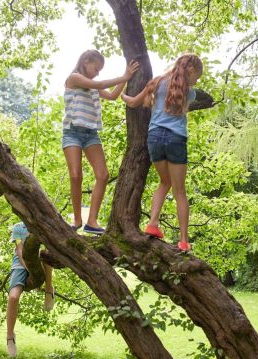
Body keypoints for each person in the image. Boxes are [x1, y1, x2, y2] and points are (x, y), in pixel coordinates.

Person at [121, 53, 204, 252]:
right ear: (191, 69)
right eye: (197, 77)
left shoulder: (157, 82)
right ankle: (184, 241)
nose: (196, 81)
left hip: (155, 138)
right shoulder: (190, 93)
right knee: (179, 191)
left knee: (164, 182)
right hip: (176, 139)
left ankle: (153, 224)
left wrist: (122, 94)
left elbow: (132, 102)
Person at [63, 49, 139, 234]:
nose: (98, 72)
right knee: (75, 176)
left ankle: (92, 222)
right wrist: (124, 76)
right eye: (96, 68)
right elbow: (99, 83)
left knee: (103, 175)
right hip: (72, 132)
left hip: (91, 134)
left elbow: (112, 96)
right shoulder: (74, 78)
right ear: (86, 61)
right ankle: (77, 219)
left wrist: (127, 79)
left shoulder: (94, 86)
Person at [6, 221, 55, 358]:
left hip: (41, 260)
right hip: (20, 264)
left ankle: (49, 289)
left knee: (46, 254)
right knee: (13, 297)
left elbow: (49, 247)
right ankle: (10, 336)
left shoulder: (43, 222)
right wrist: (30, 268)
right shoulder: (17, 227)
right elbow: (20, 251)